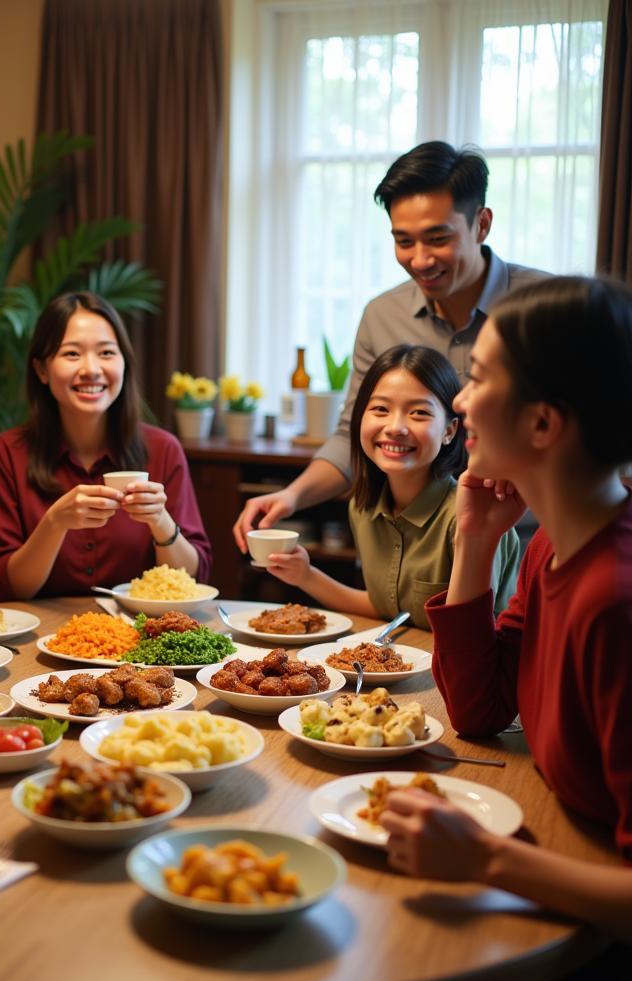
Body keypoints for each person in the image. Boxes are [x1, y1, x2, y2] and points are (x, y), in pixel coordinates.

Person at [380, 276, 632, 938]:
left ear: (543, 422)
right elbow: (480, 711)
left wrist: (490, 859)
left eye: (479, 379)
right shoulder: (554, 541)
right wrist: (477, 540)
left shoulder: (615, 600)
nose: (458, 402)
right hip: (560, 849)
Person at [233, 140, 547, 552]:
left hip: (527, 542)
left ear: (482, 224)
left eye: (437, 238)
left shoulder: (546, 308)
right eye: (404, 241)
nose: (419, 259)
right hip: (408, 547)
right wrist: (292, 496)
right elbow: (353, 433)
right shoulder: (382, 315)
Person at [264, 345, 518, 629]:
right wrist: (305, 575)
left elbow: (472, 634)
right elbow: (385, 606)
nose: (396, 427)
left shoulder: (472, 516)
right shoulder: (363, 509)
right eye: (381, 409)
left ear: (449, 431)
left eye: (419, 413)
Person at [0, 291, 211, 599]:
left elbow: (192, 580)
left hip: (140, 636)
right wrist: (55, 522)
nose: (91, 369)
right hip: (42, 638)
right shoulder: (10, 452)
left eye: (106, 353)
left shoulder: (163, 450)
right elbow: (6, 587)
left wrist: (160, 521)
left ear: (124, 364)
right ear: (42, 370)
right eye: (72, 354)